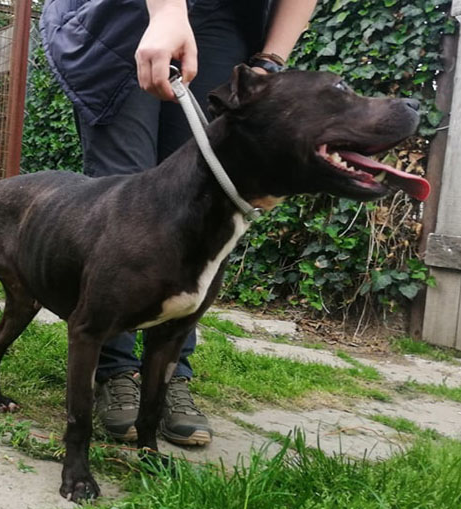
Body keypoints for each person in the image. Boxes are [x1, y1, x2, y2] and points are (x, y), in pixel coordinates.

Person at [40, 0, 317, 447]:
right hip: (124, 14)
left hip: (228, 18)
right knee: (124, 193)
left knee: (197, 196)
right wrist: (168, 12)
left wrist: (270, 60)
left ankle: (168, 375)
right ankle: (115, 370)